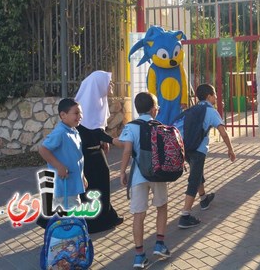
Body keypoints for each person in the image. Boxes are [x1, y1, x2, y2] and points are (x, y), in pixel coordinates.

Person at [119, 92, 171, 268]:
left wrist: (122, 172)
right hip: (158, 174)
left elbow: (127, 151)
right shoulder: (160, 125)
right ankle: (160, 244)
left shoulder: (130, 127)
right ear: (153, 109)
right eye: (156, 106)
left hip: (138, 176)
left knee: (138, 215)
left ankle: (140, 255)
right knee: (162, 207)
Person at [173, 84, 236, 229]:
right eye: (214, 95)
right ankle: (185, 216)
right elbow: (223, 132)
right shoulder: (210, 111)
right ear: (209, 96)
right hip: (198, 150)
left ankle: (204, 199)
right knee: (194, 179)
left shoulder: (193, 109)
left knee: (197, 172)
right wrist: (231, 150)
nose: (216, 97)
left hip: (185, 148)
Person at [75, 70, 124, 233]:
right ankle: (95, 223)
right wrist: (112, 140)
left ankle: (107, 216)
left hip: (96, 151)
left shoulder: (98, 101)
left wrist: (103, 140)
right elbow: (92, 129)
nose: (111, 85)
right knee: (92, 188)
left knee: (102, 183)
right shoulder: (85, 105)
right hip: (86, 156)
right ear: (98, 84)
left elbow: (97, 127)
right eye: (109, 82)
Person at [38, 98, 87, 209]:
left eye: (80, 113)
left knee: (71, 220)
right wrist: (59, 166)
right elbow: (43, 149)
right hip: (63, 188)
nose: (80, 116)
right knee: (69, 221)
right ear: (63, 115)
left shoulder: (73, 131)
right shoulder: (60, 132)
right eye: (76, 113)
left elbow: (77, 158)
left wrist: (82, 177)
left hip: (72, 187)